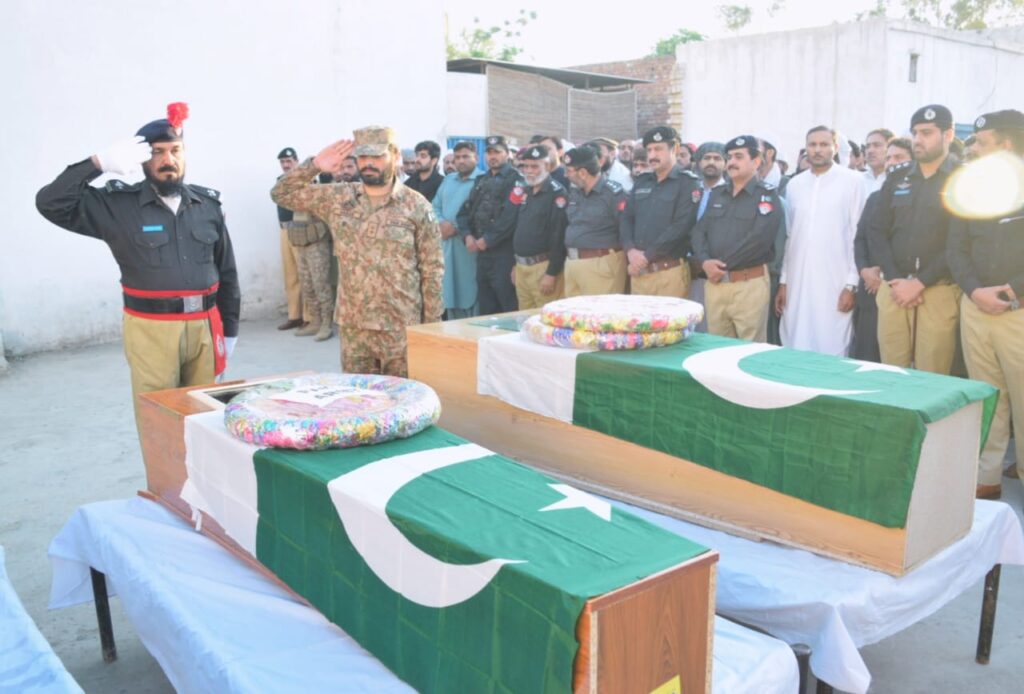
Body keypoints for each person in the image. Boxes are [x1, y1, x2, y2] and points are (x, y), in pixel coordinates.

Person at [35, 103, 240, 429]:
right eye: (157, 152)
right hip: (151, 330)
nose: (168, 160)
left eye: (175, 150)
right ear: (143, 158)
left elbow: (226, 271)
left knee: (208, 419)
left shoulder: (208, 204)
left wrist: (229, 328)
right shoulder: (116, 206)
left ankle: (201, 481)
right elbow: (50, 202)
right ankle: (165, 483)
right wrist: (97, 164)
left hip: (205, 326)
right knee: (159, 420)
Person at [271, 126, 443, 376]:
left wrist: (431, 328)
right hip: (354, 327)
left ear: (394, 156)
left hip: (400, 326)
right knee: (359, 402)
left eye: (377, 156)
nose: (369, 164)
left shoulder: (416, 205)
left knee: (404, 401)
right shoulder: (339, 198)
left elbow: (432, 270)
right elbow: (281, 193)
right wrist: (315, 165)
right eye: (363, 157)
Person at [947, 109, 1024, 499]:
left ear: (1006, 144)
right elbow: (955, 247)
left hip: (1018, 311)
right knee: (988, 397)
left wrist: (1013, 291)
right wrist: (975, 291)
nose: (973, 148)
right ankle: (988, 476)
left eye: (982, 141)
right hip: (975, 307)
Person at [868, 105, 960, 374]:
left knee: (932, 375)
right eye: (915, 132)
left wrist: (919, 283)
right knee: (892, 372)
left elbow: (959, 242)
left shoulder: (962, 178)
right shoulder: (897, 176)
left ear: (948, 135)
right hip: (894, 288)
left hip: (938, 289)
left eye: (927, 133)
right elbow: (877, 230)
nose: (918, 139)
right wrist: (897, 281)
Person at [775, 126, 866, 356]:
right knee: (795, 339)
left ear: (835, 148)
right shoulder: (795, 184)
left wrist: (851, 284)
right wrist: (784, 282)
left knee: (834, 343)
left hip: (836, 281)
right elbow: (790, 236)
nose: (817, 150)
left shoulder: (853, 181)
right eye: (812, 145)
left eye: (824, 144)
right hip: (797, 281)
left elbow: (858, 234)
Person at [691, 136, 783, 342]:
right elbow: (699, 232)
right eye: (730, 156)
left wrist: (720, 266)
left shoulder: (766, 196)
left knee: (747, 351)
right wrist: (705, 261)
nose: (731, 162)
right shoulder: (718, 194)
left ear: (756, 162)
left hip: (748, 285)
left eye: (739, 157)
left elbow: (759, 239)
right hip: (715, 285)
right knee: (716, 348)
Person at [851, 138, 913, 362]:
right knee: (867, 358)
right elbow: (861, 239)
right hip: (871, 290)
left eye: (899, 158)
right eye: (889, 158)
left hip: (904, 290)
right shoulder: (875, 198)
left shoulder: (922, 199)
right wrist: (865, 270)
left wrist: (889, 275)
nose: (892, 163)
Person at [620, 126, 699, 297]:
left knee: (670, 324)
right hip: (639, 272)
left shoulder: (688, 183)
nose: (652, 155)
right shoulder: (642, 181)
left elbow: (681, 226)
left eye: (658, 149)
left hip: (669, 274)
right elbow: (626, 218)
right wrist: (630, 251)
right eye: (649, 150)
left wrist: (646, 256)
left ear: (675, 149)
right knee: (639, 323)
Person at [456, 135, 521, 315]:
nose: (493, 156)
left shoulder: (516, 180)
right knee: (487, 309)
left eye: (497, 152)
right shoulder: (481, 181)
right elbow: (464, 212)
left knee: (508, 307)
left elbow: (510, 217)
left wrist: (489, 239)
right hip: (482, 255)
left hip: (504, 254)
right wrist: (467, 235)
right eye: (489, 152)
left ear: (507, 154)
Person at [562, 145, 628, 296]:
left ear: (583, 173)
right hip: (573, 263)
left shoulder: (613, 194)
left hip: (601, 265)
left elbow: (625, 229)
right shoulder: (575, 192)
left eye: (569, 171)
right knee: (574, 317)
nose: (566, 175)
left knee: (598, 317)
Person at [511, 145, 568, 309]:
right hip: (522, 268)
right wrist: (515, 264)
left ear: (548, 167)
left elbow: (559, 236)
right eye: (525, 166)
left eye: (535, 166)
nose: (529, 170)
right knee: (524, 319)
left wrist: (551, 273)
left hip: (543, 267)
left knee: (545, 318)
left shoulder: (557, 193)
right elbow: (518, 229)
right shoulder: (525, 191)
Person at [282, 169, 335, 342]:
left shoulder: (320, 194)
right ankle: (315, 321)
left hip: (317, 245)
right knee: (307, 285)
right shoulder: (296, 195)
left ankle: (327, 324)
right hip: (301, 243)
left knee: (321, 285)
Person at [433, 141, 482, 319]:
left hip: (468, 247)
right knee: (448, 292)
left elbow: (483, 215)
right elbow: (434, 207)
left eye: (466, 157)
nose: (461, 161)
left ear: (476, 158)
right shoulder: (448, 180)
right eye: (458, 157)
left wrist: (458, 229)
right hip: (446, 245)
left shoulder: (482, 180)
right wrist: (441, 223)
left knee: (469, 292)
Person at [689, 141, 728, 332]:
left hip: (716, 269)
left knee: (711, 326)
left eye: (717, 158)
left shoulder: (730, 193)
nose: (711, 162)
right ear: (698, 162)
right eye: (707, 158)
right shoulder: (691, 190)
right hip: (689, 268)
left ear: (725, 163)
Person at [275, 148, 309, 331]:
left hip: (301, 230)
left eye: (289, 161)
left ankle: (310, 318)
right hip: (284, 230)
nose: (286, 165)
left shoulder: (305, 180)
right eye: (283, 162)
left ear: (297, 161)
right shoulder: (280, 181)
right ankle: (294, 316)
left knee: (305, 274)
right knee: (290, 275)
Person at [862, 128, 895, 193]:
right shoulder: (858, 180)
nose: (870, 151)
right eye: (867, 146)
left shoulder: (898, 181)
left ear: (890, 148)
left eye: (877, 145)